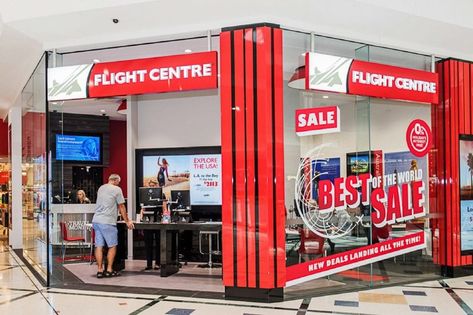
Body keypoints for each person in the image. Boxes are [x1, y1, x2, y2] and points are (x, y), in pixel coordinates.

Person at [92, 174, 134, 278]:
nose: (118, 184)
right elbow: (121, 206)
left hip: (96, 220)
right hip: (107, 221)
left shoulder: (101, 188)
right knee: (112, 245)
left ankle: (100, 270)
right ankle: (109, 270)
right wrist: (127, 221)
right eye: (118, 182)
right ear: (115, 180)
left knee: (99, 246)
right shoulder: (117, 189)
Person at [140, 180, 167, 270]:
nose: (152, 187)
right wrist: (141, 219)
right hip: (148, 221)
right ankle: (148, 264)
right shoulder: (145, 195)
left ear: (157, 186)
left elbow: (164, 208)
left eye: (153, 186)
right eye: (150, 185)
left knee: (159, 243)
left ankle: (158, 263)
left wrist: (166, 218)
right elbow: (142, 208)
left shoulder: (162, 195)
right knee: (148, 244)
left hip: (159, 220)